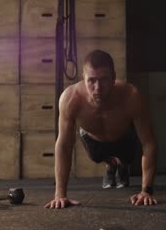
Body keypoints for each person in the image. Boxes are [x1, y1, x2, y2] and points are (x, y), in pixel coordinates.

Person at [45, 49, 158, 209]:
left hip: (124, 137)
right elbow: (64, 145)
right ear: (83, 78)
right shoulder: (71, 98)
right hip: (93, 139)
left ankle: (121, 164)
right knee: (96, 156)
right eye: (91, 80)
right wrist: (60, 195)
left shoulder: (131, 96)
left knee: (127, 158)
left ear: (113, 77)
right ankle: (111, 164)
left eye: (104, 79)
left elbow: (148, 142)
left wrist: (147, 191)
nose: (97, 88)